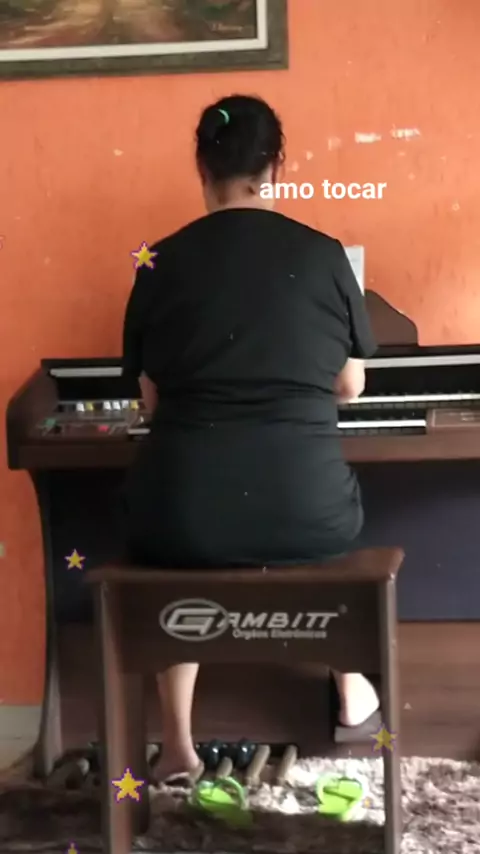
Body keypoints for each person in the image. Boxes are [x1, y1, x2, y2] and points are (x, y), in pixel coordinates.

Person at [122, 94, 379, 783]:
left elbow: (151, 401)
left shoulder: (156, 261)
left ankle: (177, 747)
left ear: (201, 166)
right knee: (309, 511)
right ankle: (353, 689)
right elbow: (350, 385)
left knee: (177, 544)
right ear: (277, 165)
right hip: (309, 512)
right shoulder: (324, 255)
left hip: (183, 514)